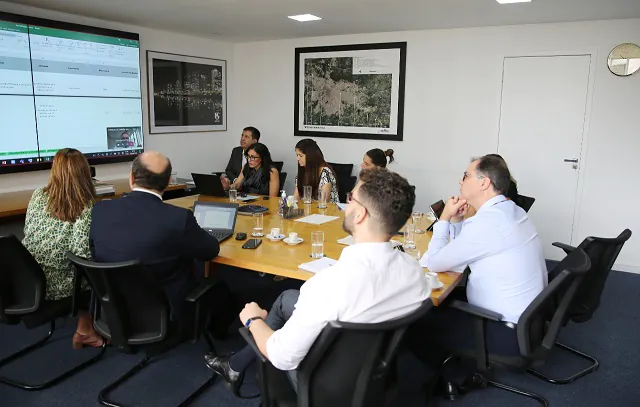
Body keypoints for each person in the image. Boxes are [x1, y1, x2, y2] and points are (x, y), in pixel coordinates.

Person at [204, 169, 430, 395]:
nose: (347, 204)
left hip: (323, 386)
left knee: (269, 327)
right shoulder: (415, 273)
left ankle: (241, 369)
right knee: (286, 298)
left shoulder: (327, 285)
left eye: (350, 198)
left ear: (360, 214)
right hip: (374, 371)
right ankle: (234, 366)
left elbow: (282, 357)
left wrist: (252, 320)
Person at [410, 155, 547, 391]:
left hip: (505, 333)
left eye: (466, 175)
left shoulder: (488, 223)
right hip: (528, 324)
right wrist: (459, 220)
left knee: (411, 318)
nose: (460, 180)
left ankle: (454, 377)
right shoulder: (509, 211)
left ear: (484, 183)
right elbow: (465, 247)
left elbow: (434, 262)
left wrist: (444, 218)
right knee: (445, 298)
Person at [90, 151, 231, 333]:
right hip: (167, 313)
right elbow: (211, 250)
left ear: (132, 178)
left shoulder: (101, 210)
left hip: (114, 308)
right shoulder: (178, 219)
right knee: (221, 289)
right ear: (167, 182)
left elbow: (95, 252)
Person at [22, 148, 104, 349]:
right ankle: (87, 330)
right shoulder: (85, 206)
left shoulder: (38, 195)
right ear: (85, 172)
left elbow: (27, 231)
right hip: (56, 288)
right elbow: (81, 254)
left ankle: (85, 329)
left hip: (27, 278)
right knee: (98, 273)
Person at [292, 138, 339, 203]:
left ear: (310, 156)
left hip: (327, 211)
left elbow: (324, 202)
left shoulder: (325, 173)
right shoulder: (303, 170)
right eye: (297, 155)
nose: (297, 158)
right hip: (307, 210)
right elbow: (295, 198)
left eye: (301, 156)